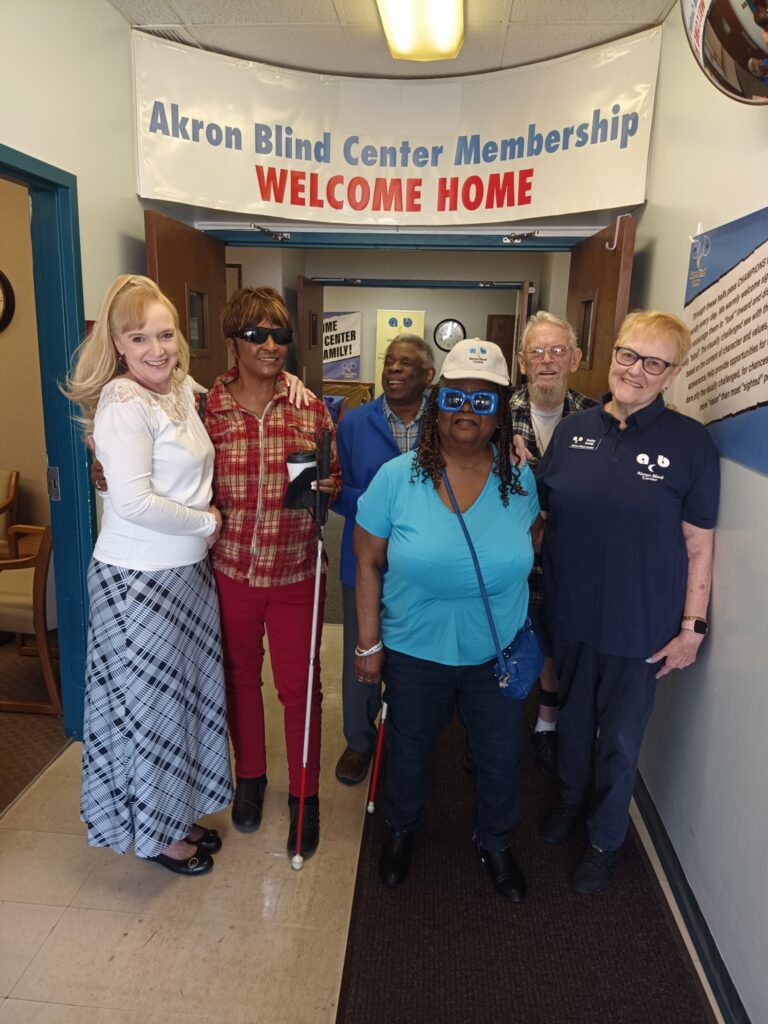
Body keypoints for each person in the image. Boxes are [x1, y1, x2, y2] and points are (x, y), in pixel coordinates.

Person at [537, 311, 719, 894]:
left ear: (671, 374)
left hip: (640, 624)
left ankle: (604, 838)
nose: (634, 370)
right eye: (626, 354)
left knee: (619, 736)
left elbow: (698, 543)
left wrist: (692, 625)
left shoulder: (691, 444)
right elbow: (545, 517)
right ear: (610, 354)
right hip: (570, 613)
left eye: (653, 362)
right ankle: (571, 800)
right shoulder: (572, 430)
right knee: (572, 718)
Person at [355, 339, 540, 902]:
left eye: (483, 402)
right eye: (455, 397)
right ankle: (403, 829)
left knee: (500, 755)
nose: (467, 410)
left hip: (495, 652)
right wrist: (367, 645)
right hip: (415, 651)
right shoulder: (395, 477)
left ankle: (495, 840)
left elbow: (533, 544)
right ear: (437, 402)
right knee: (408, 750)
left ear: (501, 413)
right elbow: (366, 560)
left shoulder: (521, 479)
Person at [64, 275, 232, 876]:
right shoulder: (122, 403)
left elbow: (228, 401)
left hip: (184, 576)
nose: (157, 350)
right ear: (116, 344)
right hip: (138, 583)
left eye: (165, 334)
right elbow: (132, 502)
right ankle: (154, 833)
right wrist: (207, 523)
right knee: (146, 714)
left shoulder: (180, 388)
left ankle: (173, 813)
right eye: (140, 338)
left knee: (177, 709)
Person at [205, 287, 341, 860]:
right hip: (231, 569)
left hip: (294, 574)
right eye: (256, 334)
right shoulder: (204, 410)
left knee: (298, 689)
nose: (269, 345)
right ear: (233, 340)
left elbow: (321, 485)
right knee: (239, 680)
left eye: (279, 335)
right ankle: (251, 779)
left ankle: (303, 797)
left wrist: (328, 489)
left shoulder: (310, 407)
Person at [332, 333, 435, 786]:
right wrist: (384, 503)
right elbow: (336, 494)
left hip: (426, 568)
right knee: (362, 652)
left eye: (406, 364)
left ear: (427, 376)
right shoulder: (354, 424)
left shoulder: (447, 421)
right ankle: (359, 741)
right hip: (364, 561)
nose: (394, 370)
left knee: (415, 659)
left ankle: (407, 738)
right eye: (389, 362)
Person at [511, 311, 596, 780]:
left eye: (558, 350)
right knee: (502, 641)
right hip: (510, 559)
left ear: (576, 358)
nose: (547, 361)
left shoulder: (599, 418)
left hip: (570, 562)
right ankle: (495, 728)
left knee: (557, 651)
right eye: (537, 352)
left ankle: (547, 726)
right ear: (522, 363)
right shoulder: (497, 416)